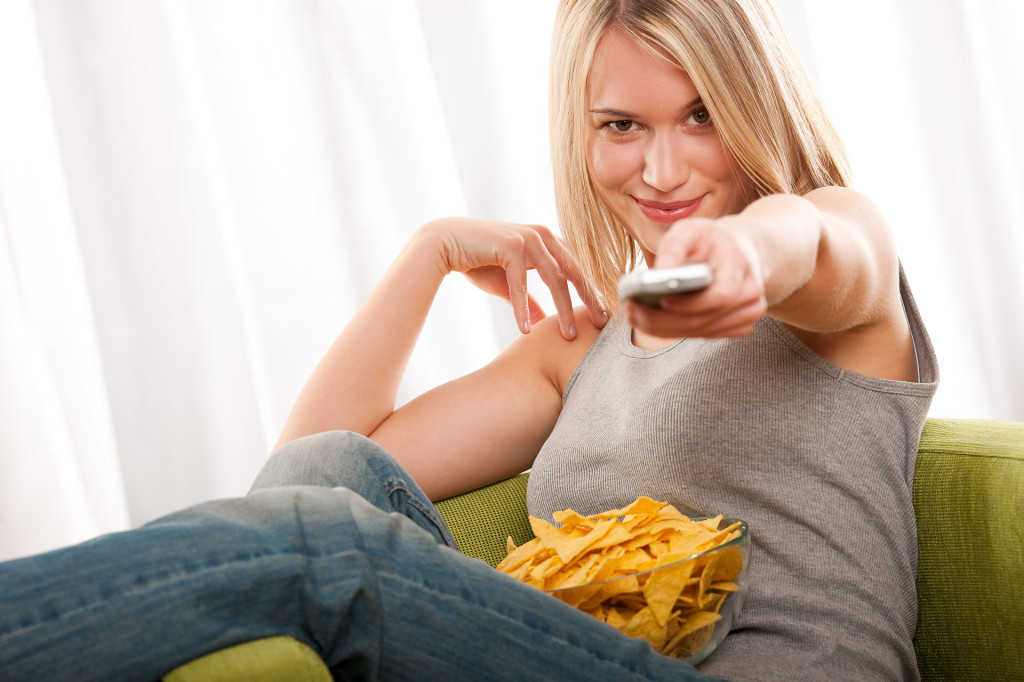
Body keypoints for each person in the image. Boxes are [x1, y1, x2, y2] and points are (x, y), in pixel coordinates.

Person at [0, 0, 938, 680]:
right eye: (621, 125)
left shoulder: (839, 278)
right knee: (331, 477)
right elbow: (300, 474)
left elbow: (821, 247)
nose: (662, 167)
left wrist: (736, 254)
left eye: (702, 115)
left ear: (755, 100)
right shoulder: (582, 349)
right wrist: (428, 255)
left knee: (328, 549)